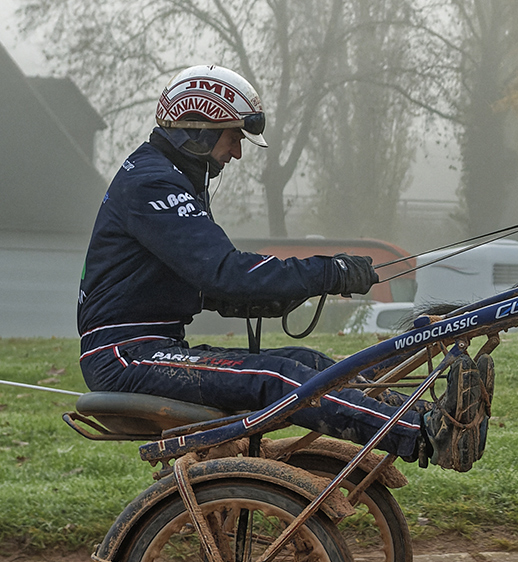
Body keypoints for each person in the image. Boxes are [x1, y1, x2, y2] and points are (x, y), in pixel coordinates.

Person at [76, 64, 487, 470]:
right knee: (280, 377)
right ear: (198, 129)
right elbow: (225, 272)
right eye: (233, 136)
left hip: (148, 347)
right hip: (124, 356)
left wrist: (277, 295)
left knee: (308, 363)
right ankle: (420, 435)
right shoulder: (154, 184)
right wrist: (330, 272)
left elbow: (199, 284)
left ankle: (425, 416)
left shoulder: (164, 176)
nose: (236, 152)